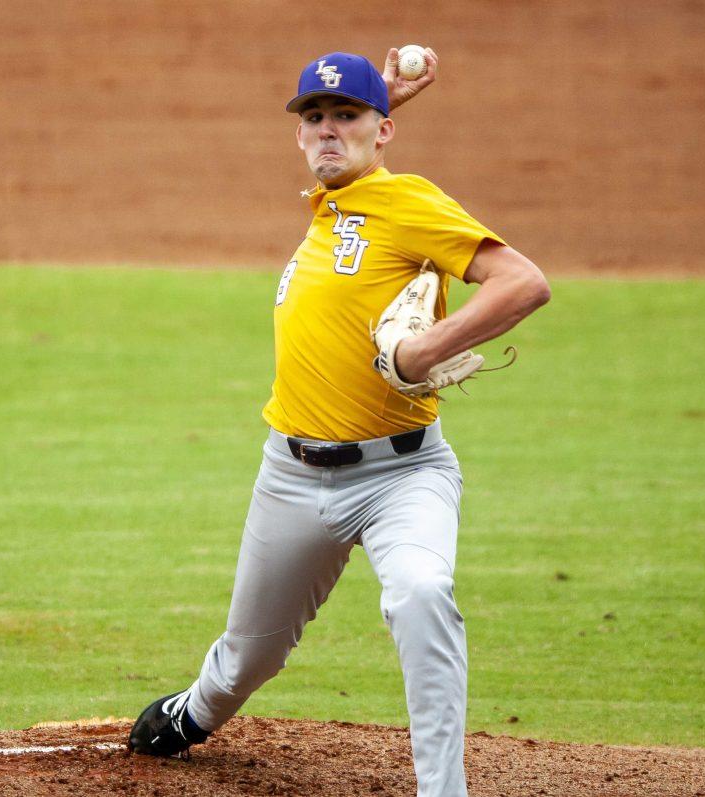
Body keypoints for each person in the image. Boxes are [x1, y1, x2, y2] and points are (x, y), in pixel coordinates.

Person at [128, 48, 550, 797]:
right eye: (313, 119)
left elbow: (524, 281)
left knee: (421, 593)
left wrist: (423, 351)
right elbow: (348, 164)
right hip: (289, 477)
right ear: (297, 135)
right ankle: (194, 713)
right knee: (246, 660)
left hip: (403, 474)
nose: (327, 131)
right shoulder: (332, 204)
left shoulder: (408, 200)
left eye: (345, 117)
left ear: (383, 131)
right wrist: (365, 103)